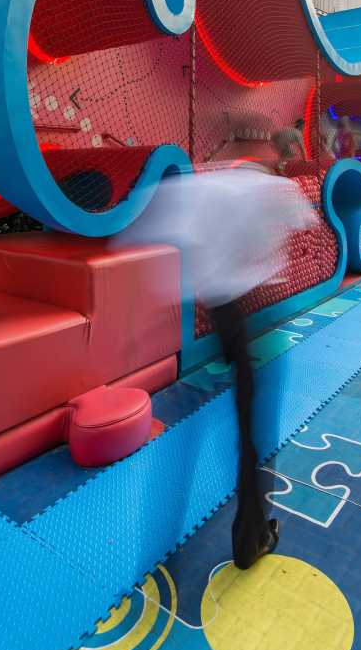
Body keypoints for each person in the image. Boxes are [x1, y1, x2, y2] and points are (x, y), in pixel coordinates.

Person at [115, 150, 317, 569]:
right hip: (257, 309)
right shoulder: (271, 189)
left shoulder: (203, 188)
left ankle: (156, 541)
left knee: (192, 430)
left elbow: (147, 233)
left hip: (220, 310)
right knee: (254, 429)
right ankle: (251, 539)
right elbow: (306, 221)